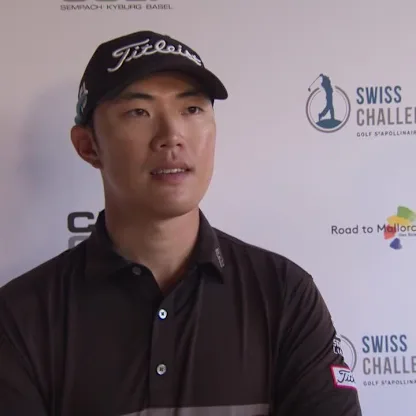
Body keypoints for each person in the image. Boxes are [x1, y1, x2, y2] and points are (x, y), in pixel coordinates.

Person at [0, 30, 362, 415]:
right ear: (89, 146)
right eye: (138, 112)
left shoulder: (285, 294)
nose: (172, 136)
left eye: (191, 109)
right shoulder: (21, 317)